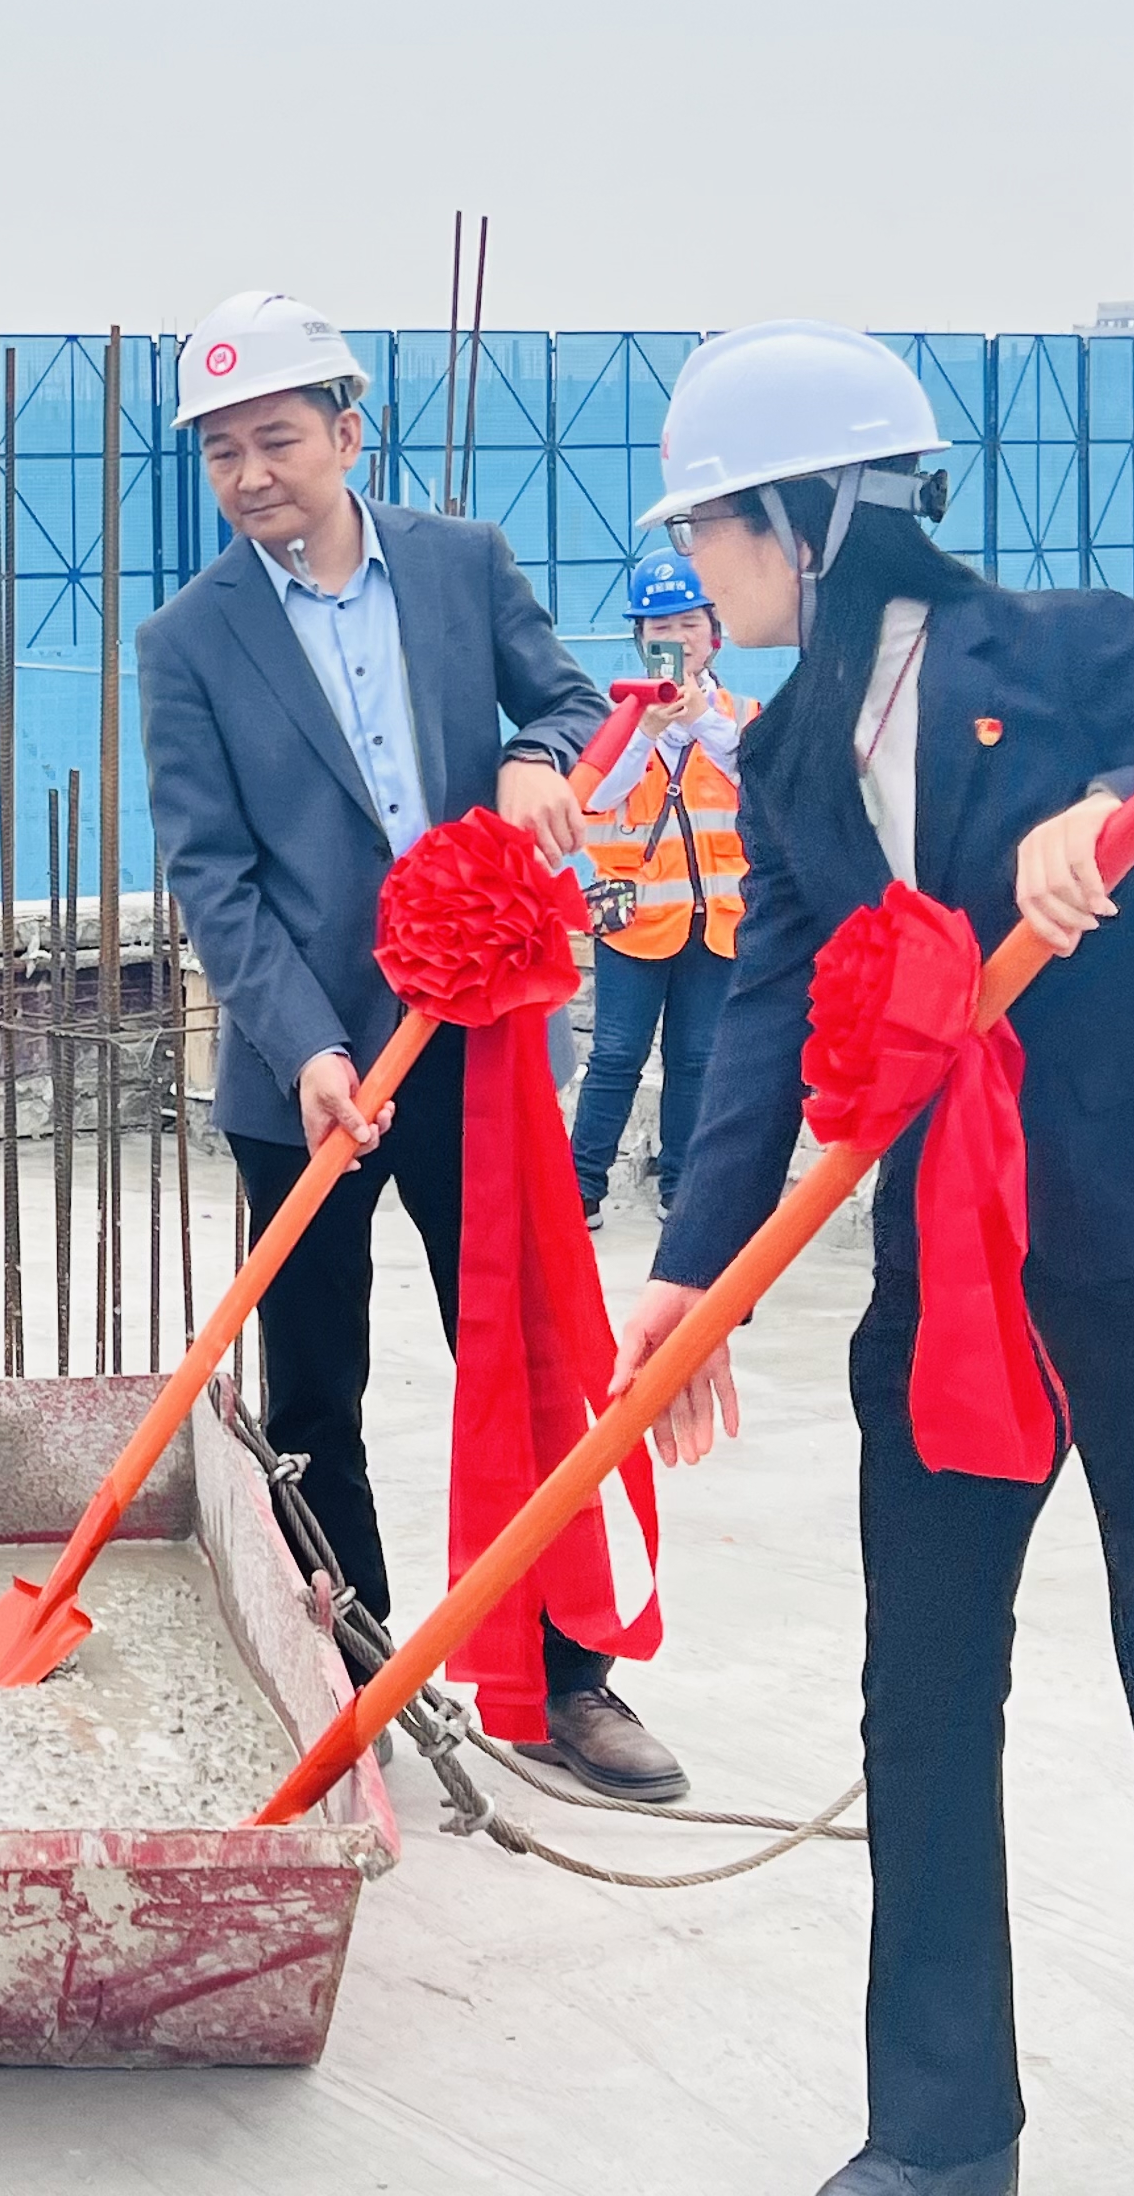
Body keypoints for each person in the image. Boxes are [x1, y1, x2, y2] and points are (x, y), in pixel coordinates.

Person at [608, 320, 1134, 2196]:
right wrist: (691, 1268)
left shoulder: (1061, 652)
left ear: (811, 517)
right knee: (918, 1693)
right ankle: (938, 2136)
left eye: (714, 524)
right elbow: (768, 1014)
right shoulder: (788, 752)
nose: (698, 562)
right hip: (950, 1275)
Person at [137, 288, 688, 1804]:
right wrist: (307, 1047)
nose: (251, 473)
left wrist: (531, 759)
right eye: (222, 451)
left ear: (347, 432)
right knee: (315, 1393)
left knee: (523, 1362)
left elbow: (571, 700)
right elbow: (214, 876)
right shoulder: (189, 642)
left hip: (475, 1046)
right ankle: (359, 1674)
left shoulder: (461, 566)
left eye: (277, 438)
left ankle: (564, 1679)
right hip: (305, 1075)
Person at [569, 545, 751, 1231]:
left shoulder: (740, 715)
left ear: (714, 633)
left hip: (716, 919)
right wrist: (644, 730)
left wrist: (701, 720)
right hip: (634, 921)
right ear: (641, 639)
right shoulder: (612, 715)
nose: (676, 638)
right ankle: (580, 1188)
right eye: (660, 627)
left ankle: (683, 1188)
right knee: (616, 1056)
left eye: (688, 624)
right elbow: (592, 798)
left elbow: (759, 781)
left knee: (697, 1060)